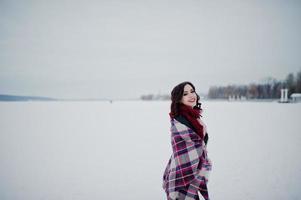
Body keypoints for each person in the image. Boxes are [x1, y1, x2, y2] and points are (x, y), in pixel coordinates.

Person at [162, 81, 212, 200]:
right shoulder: (180, 121)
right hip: (182, 174)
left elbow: (200, 145)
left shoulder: (194, 117)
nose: (191, 95)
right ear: (178, 99)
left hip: (193, 172)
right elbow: (188, 147)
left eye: (192, 91)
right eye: (185, 94)